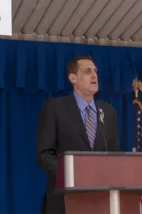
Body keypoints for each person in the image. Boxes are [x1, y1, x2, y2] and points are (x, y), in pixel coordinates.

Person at [36, 55, 120, 214]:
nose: (94, 75)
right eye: (88, 71)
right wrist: (74, 173)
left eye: (95, 71)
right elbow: (44, 155)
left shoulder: (108, 112)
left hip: (100, 200)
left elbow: (114, 153)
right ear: (73, 78)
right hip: (64, 200)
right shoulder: (54, 108)